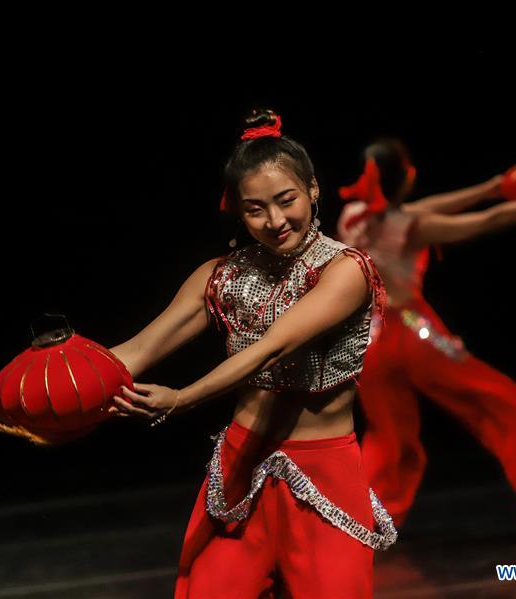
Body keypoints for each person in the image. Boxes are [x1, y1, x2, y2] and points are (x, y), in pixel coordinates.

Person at [108, 109, 396, 598]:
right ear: (236, 211)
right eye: (255, 209)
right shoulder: (221, 275)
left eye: (286, 200)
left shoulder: (345, 271)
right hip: (241, 467)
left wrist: (183, 398)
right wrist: (58, 375)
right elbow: (134, 351)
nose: (275, 220)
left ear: (313, 189)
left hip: (323, 473)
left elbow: (270, 348)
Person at [336, 138, 516, 533]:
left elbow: (427, 208)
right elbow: (486, 222)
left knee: (389, 437)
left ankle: (362, 523)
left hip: (367, 342)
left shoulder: (351, 217)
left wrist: (493, 186)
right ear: (407, 177)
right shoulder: (414, 226)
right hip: (412, 333)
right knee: (503, 403)